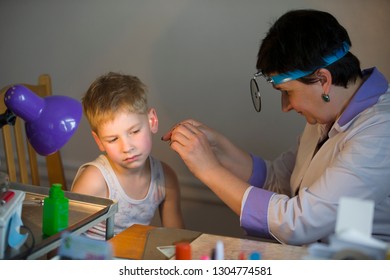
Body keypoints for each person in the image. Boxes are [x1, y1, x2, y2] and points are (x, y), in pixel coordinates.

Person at [162, 9, 390, 245]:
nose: (286, 106)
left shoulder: (380, 133)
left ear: (323, 80)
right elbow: (280, 179)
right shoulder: (326, 114)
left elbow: (298, 224)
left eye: (287, 93)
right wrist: (218, 149)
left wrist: (208, 171)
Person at [72, 72, 184, 239]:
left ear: (152, 121)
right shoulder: (94, 181)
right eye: (112, 139)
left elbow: (178, 240)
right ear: (99, 141)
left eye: (134, 131)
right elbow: (59, 244)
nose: (127, 147)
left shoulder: (166, 179)